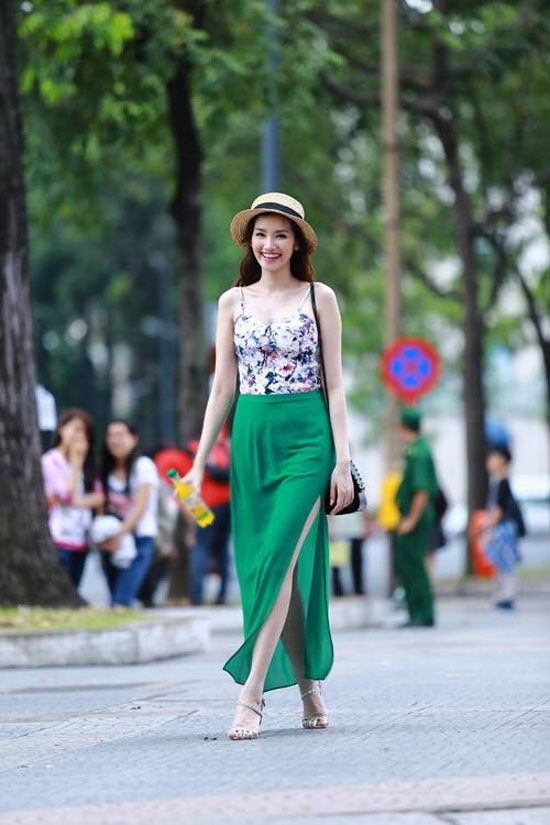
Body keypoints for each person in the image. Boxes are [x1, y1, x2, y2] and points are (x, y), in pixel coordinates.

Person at [182, 192, 354, 740]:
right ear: (248, 240)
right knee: (272, 570)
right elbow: (222, 388)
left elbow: (336, 385)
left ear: (297, 243)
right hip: (252, 438)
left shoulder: (320, 297)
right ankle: (308, 686)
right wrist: (198, 463)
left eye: (281, 235)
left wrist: (343, 460)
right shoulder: (231, 302)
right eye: (261, 234)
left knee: (278, 560)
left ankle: (250, 694)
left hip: (308, 438)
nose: (270, 244)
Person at [99, 420, 160, 608]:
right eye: (110, 435)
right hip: (111, 541)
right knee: (114, 598)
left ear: (134, 439)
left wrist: (119, 534)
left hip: (139, 537)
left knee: (122, 599)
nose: (114, 440)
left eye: (120, 435)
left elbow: (141, 506)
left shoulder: (144, 466)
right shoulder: (106, 470)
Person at [41, 408, 103, 587]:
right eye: (76, 429)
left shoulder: (88, 464)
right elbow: (66, 493)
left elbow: (99, 498)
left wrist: (73, 501)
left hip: (81, 538)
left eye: (84, 431)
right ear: (61, 429)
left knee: (74, 589)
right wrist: (76, 463)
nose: (79, 435)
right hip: (58, 537)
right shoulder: (50, 461)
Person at [395, 408, 438, 628]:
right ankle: (415, 612)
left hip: (415, 519)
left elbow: (422, 491)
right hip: (410, 517)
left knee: (415, 565)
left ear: (404, 426)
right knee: (407, 563)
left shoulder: (419, 452)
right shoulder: (415, 450)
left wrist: (411, 520)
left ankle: (423, 613)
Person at [484, 444, 525, 611]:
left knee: (506, 564)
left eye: (493, 458)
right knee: (501, 564)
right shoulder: (497, 482)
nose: (489, 462)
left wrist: (488, 528)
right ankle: (502, 594)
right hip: (502, 529)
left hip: (503, 530)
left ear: (502, 461)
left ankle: (507, 595)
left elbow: (498, 509)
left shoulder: (503, 482)